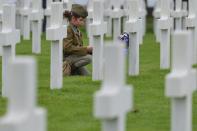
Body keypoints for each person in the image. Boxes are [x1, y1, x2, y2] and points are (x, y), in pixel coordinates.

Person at [63, 4, 93, 76]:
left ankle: (73, 70)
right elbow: (67, 48)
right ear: (73, 19)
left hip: (75, 58)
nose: (83, 22)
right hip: (68, 59)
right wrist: (86, 49)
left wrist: (89, 50)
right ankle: (68, 68)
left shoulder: (77, 31)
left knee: (87, 75)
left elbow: (78, 47)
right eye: (81, 20)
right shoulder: (68, 30)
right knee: (89, 58)